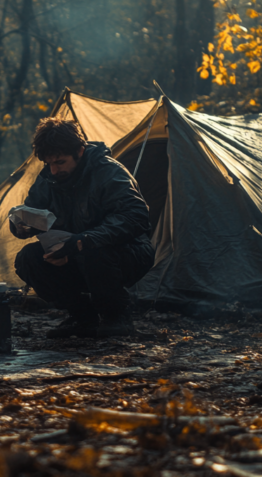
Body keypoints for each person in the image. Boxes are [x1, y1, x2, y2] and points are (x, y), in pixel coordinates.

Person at [10, 117, 154, 338]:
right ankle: (82, 317)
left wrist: (83, 240)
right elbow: (34, 212)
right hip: (72, 251)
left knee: (94, 250)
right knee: (28, 258)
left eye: (60, 162)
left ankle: (116, 316)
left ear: (79, 151)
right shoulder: (48, 179)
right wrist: (23, 227)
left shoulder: (109, 172)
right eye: (49, 164)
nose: (54, 170)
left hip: (127, 253)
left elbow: (136, 216)